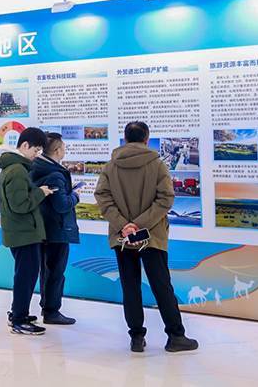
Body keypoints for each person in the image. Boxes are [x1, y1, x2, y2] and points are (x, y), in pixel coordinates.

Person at [94, 121, 198, 353]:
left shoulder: (111, 166)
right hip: (153, 236)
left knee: (130, 286)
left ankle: (136, 338)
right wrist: (140, 226)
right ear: (147, 139)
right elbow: (166, 199)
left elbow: (102, 197)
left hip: (122, 237)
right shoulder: (158, 165)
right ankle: (176, 336)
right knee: (161, 285)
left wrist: (125, 226)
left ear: (125, 139)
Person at [0, 127, 52, 335]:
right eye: (36, 150)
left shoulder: (15, 167)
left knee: (24, 275)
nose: (36, 155)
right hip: (23, 233)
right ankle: (19, 320)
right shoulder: (17, 170)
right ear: (25, 145)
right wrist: (40, 193)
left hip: (21, 231)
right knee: (26, 277)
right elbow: (20, 205)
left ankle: (18, 313)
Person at [29, 132, 79, 325]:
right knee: (55, 272)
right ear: (58, 151)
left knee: (47, 271)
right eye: (64, 147)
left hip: (42, 227)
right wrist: (75, 195)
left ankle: (47, 308)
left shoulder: (36, 167)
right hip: (57, 229)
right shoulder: (55, 174)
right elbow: (61, 205)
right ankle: (51, 311)